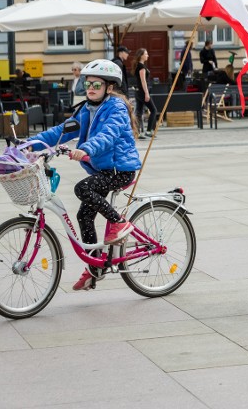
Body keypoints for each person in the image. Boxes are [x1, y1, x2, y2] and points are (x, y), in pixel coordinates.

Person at [26, 59, 141, 291]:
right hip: (104, 169)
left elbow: (108, 134)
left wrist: (87, 148)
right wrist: (30, 144)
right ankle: (96, 267)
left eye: (96, 85)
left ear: (109, 87)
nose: (90, 88)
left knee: (82, 189)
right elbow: (62, 131)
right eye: (87, 84)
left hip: (120, 169)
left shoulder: (116, 108)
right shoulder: (87, 109)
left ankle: (119, 222)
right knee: (83, 215)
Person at [131, 48, 157, 139]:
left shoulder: (139, 65)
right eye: (146, 54)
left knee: (139, 112)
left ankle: (138, 132)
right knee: (153, 110)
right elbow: (143, 81)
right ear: (141, 55)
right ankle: (149, 131)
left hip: (138, 91)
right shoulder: (141, 67)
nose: (148, 55)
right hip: (142, 92)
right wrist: (146, 93)